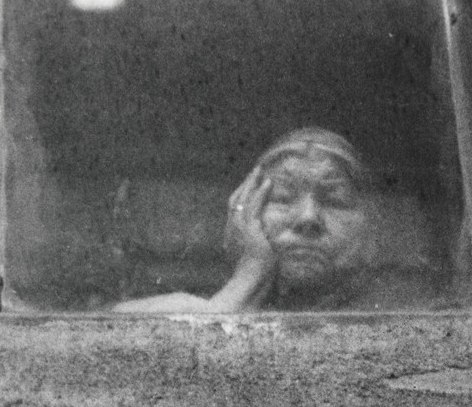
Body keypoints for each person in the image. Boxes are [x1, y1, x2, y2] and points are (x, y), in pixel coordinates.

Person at [113, 127, 375, 312]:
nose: (308, 217)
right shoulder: (161, 312)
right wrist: (251, 273)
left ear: (370, 228)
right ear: (244, 209)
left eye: (335, 201)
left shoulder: (408, 313)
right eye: (283, 197)